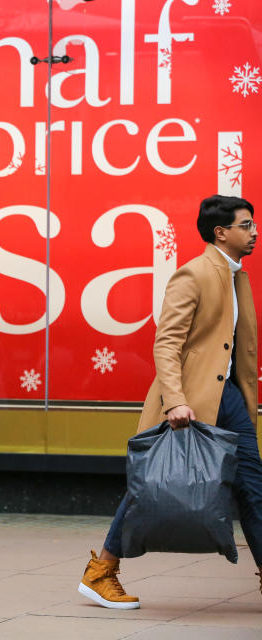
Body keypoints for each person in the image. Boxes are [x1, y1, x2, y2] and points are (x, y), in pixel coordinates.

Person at [79, 194, 262, 608]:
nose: (253, 232)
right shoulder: (194, 274)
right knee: (153, 485)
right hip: (194, 399)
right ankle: (101, 571)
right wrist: (175, 400)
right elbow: (167, 343)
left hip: (228, 396)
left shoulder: (237, 277)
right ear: (222, 232)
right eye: (246, 225)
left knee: (253, 486)